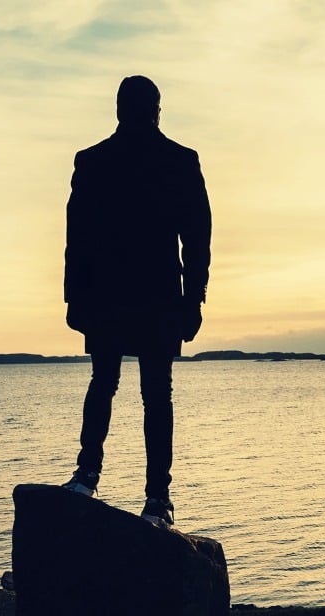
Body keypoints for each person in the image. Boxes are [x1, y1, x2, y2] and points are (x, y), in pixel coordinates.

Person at [62, 75, 212, 527]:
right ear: (156, 111)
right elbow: (197, 240)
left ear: (119, 110)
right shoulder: (179, 161)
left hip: (113, 296)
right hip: (156, 297)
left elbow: (77, 237)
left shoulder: (93, 161)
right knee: (153, 394)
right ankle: (156, 499)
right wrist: (194, 299)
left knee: (105, 382)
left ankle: (90, 475)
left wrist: (74, 295)